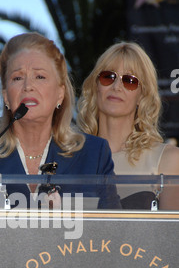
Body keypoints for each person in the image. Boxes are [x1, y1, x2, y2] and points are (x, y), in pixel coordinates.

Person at [0, 32, 121, 210]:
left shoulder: (94, 155)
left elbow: (114, 232)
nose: (28, 86)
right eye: (17, 78)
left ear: (60, 94)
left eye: (40, 77)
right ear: (6, 96)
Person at [77, 41, 179, 210]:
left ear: (142, 95)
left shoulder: (168, 160)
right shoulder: (69, 157)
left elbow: (171, 235)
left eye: (129, 81)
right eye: (108, 77)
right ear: (96, 87)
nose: (117, 87)